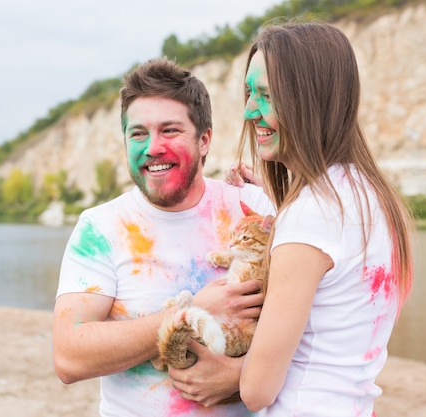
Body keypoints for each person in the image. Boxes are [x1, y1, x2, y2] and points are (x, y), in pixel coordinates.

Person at [52, 57, 275, 416]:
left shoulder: (255, 208)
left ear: (204, 140)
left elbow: (321, 331)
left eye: (169, 130)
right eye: (138, 133)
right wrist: (193, 310)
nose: (153, 147)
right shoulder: (101, 227)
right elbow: (69, 356)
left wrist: (242, 378)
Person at [228, 21, 415, 416]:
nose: (249, 111)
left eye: (265, 95)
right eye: (248, 93)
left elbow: (257, 390)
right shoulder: (375, 198)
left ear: (309, 100)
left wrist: (225, 373)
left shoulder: (311, 215)